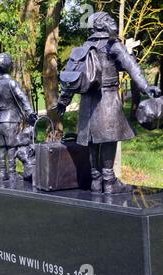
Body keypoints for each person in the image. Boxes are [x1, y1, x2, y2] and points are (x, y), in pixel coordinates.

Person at [55, 12, 161, 194]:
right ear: (102, 24)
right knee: (109, 139)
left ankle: (96, 181)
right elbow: (132, 67)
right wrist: (146, 87)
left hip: (88, 102)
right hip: (107, 98)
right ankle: (109, 180)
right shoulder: (113, 45)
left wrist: (63, 101)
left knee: (93, 140)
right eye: (110, 20)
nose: (113, 23)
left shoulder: (85, 47)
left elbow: (72, 77)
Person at [0, 53, 38, 181]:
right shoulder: (12, 82)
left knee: (2, 147)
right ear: (10, 66)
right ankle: (13, 173)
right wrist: (30, 112)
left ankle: (3, 174)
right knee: (11, 147)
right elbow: (22, 98)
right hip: (11, 119)